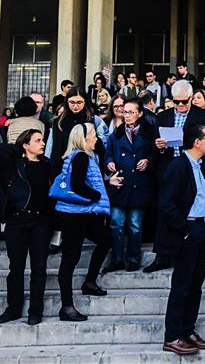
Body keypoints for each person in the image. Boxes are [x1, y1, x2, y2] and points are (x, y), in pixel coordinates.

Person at [158, 124, 205, 355]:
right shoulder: (178, 165)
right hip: (188, 229)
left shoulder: (199, 165)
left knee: (195, 284)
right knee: (182, 284)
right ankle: (172, 336)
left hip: (202, 227)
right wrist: (184, 229)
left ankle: (187, 330)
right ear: (196, 142)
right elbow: (166, 202)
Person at [146, 80, 205, 273]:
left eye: (184, 101)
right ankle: (162, 255)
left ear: (191, 98)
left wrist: (185, 140)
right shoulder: (163, 116)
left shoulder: (202, 115)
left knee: (190, 208)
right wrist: (159, 145)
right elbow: (154, 143)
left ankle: (186, 251)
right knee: (166, 209)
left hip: (193, 166)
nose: (181, 105)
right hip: (169, 166)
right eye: (177, 102)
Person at [54, 123, 118, 321]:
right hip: (75, 215)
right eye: (93, 135)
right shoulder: (81, 156)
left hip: (83, 214)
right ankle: (66, 306)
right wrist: (97, 195)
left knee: (106, 239)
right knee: (70, 259)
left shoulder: (83, 156)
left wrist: (107, 183)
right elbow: (78, 185)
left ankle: (89, 282)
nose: (96, 138)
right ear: (83, 138)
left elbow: (84, 182)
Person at [0, 129, 53, 326]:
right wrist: (19, 149)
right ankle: (13, 308)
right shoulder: (13, 164)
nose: (42, 143)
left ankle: (35, 311)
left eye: (42, 140)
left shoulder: (48, 165)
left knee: (39, 268)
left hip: (41, 221)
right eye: (37, 140)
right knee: (15, 268)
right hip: (16, 220)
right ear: (26, 145)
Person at [102, 98, 156, 273]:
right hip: (120, 183)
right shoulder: (116, 134)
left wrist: (148, 161)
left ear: (139, 113)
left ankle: (133, 259)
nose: (127, 115)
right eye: (125, 112)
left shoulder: (149, 133)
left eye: (131, 112)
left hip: (139, 184)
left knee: (135, 225)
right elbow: (108, 153)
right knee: (116, 223)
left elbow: (156, 154)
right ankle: (117, 259)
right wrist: (109, 162)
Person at [47, 88, 109, 173]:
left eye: (79, 102)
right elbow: (55, 149)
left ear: (85, 102)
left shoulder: (94, 120)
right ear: (67, 102)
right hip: (64, 168)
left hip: (90, 168)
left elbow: (106, 141)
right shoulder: (59, 122)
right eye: (72, 102)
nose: (75, 106)